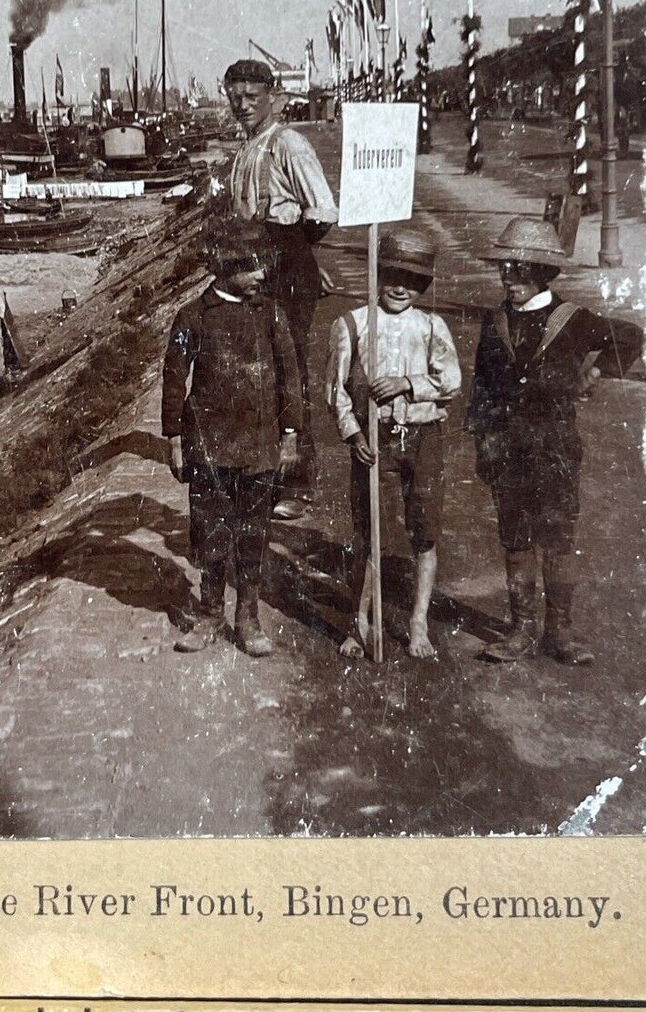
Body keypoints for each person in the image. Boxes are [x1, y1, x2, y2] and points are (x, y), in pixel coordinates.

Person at [466, 217, 645, 666]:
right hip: (508, 448)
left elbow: (631, 336)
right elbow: (483, 388)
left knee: (559, 537)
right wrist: (483, 443)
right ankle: (521, 629)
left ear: (544, 274)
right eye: (505, 270)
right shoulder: (496, 322)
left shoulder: (574, 320)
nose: (511, 280)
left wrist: (596, 372)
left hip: (556, 449)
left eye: (521, 271)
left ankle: (559, 631)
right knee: (516, 538)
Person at [162, 217, 301, 658]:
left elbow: (290, 377)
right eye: (253, 267)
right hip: (210, 449)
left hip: (259, 448)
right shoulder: (193, 317)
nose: (262, 275)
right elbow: (173, 379)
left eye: (264, 266)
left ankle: (248, 617)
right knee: (210, 532)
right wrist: (172, 439)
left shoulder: (272, 314)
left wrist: (291, 434)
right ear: (225, 267)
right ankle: (208, 614)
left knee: (253, 532)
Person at [325, 232, 460, 660]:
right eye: (393, 276)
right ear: (377, 275)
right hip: (375, 440)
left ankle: (418, 621)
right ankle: (359, 619)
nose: (401, 288)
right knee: (370, 532)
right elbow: (336, 391)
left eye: (413, 280)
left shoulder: (432, 326)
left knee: (425, 530)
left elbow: (451, 381)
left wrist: (408, 384)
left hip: (423, 439)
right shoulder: (352, 324)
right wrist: (355, 435)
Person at [225, 57, 338, 521]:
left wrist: (297, 258)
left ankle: (299, 483)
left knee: (290, 372)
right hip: (261, 267)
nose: (244, 106)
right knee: (260, 369)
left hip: (284, 269)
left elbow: (323, 210)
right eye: (236, 98)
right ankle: (267, 472)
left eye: (253, 98)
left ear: (274, 97)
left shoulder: (287, 143)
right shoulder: (247, 149)